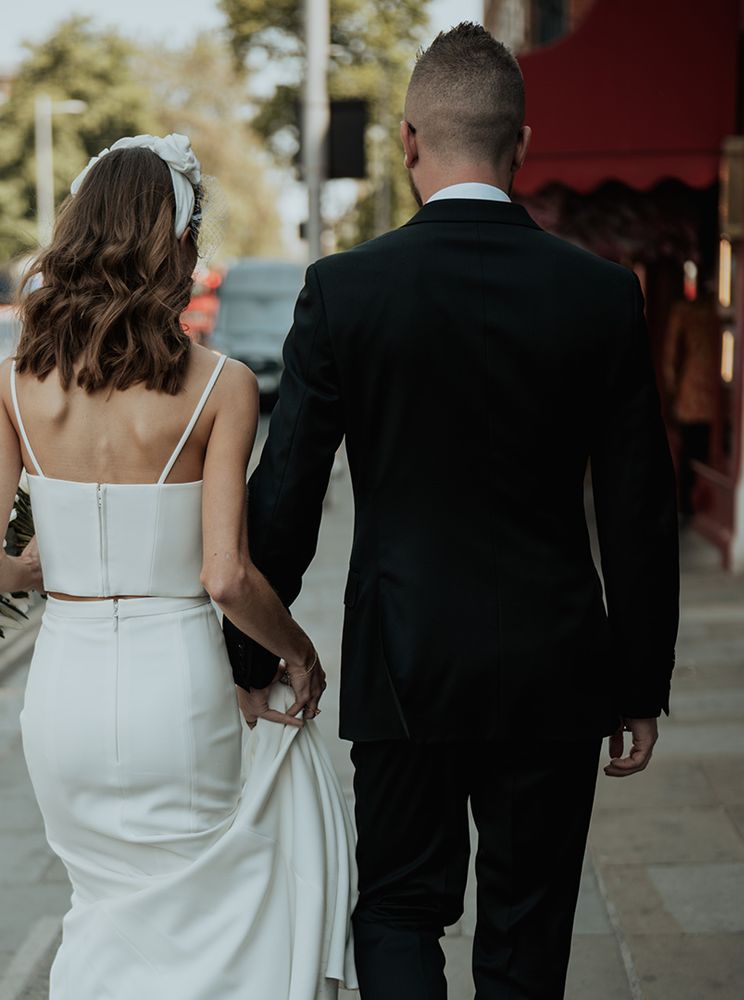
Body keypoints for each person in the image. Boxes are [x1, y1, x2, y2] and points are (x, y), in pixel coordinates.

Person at [224, 23, 680, 1000]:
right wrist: (637, 682)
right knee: (526, 932)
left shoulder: (343, 291)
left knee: (395, 908)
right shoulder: (599, 295)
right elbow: (642, 507)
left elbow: (288, 490)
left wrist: (255, 659)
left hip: (401, 662)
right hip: (556, 668)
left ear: (406, 141)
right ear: (523, 144)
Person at [0, 133, 357, 999]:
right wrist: (297, 653)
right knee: (206, 920)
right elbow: (227, 577)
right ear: (174, 241)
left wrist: (48, 570)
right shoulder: (221, 386)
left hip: (62, 694)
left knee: (101, 912)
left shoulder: (13, 382)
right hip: (174, 691)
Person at [663, 283, 721, 518]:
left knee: (688, 454)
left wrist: (672, 389)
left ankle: (688, 506)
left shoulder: (683, 312)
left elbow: (670, 358)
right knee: (706, 452)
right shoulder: (715, 312)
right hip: (716, 399)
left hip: (690, 396)